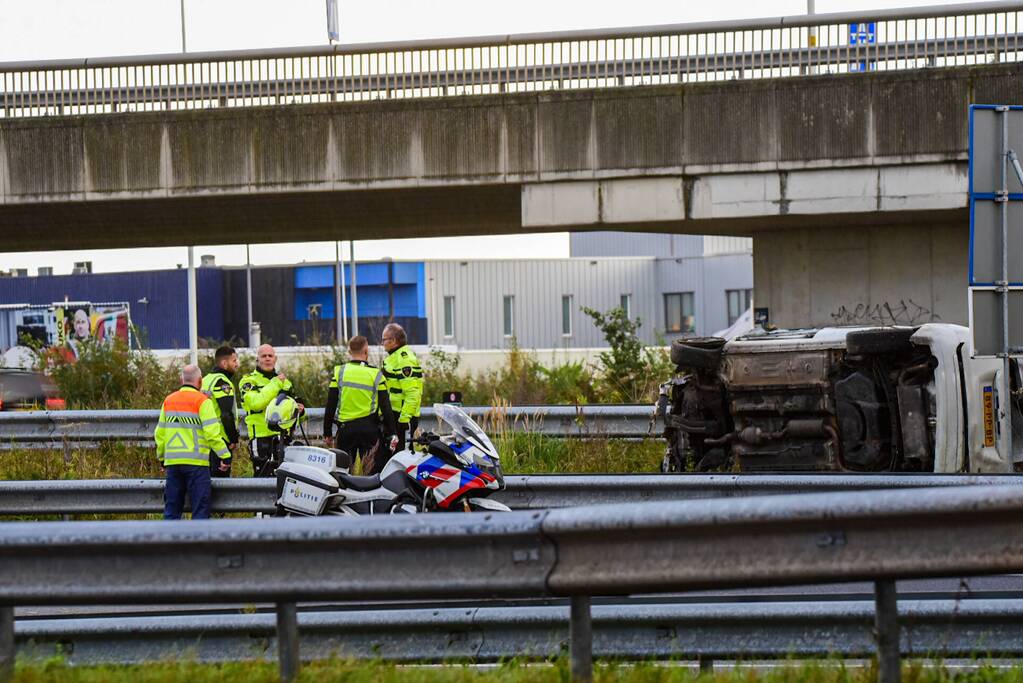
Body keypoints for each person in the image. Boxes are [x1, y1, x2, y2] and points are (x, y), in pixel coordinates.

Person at [154, 364, 229, 520]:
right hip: (197, 464)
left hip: (173, 463)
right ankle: (197, 544)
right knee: (200, 512)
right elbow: (212, 433)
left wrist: (162, 458)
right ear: (200, 381)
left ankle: (169, 543)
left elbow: (160, 434)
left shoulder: (169, 400)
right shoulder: (202, 401)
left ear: (182, 379)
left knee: (172, 511)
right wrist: (224, 455)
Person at [324, 335, 398, 474]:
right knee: (372, 473)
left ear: (349, 352)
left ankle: (345, 495)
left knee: (341, 473)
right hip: (369, 429)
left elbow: (331, 404)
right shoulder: (375, 374)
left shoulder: (340, 372)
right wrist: (393, 433)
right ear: (366, 351)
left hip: (346, 430)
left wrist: (327, 432)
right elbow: (386, 407)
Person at [239, 344, 303, 476]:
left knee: (285, 477)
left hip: (282, 437)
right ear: (258, 359)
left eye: (270, 355)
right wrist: (275, 383)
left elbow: (294, 411)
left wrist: (301, 412)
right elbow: (256, 403)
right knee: (262, 475)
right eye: (264, 356)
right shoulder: (248, 380)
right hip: (260, 438)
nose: (267, 358)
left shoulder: (286, 382)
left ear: (275, 359)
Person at [380, 323, 424, 452]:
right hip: (394, 415)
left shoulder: (404, 359)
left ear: (393, 341)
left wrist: (404, 420)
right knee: (390, 456)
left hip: (402, 418)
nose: (382, 343)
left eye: (384, 339)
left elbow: (412, 394)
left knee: (401, 457)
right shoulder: (395, 357)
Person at [201, 345, 241, 478]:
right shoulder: (222, 382)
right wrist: (233, 439)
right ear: (225, 363)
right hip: (220, 440)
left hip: (204, 440)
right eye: (234, 360)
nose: (237, 364)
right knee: (220, 484)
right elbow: (226, 414)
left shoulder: (205, 380)